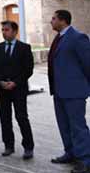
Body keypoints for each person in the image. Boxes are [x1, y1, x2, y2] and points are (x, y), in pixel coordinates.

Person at [47, 10, 90, 173]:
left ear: (63, 21)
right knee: (64, 125)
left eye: (53, 19)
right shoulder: (59, 38)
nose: (51, 21)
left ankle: (85, 159)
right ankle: (70, 153)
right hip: (59, 91)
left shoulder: (78, 37)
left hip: (74, 92)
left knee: (78, 126)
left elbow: (88, 63)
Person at [0, 21, 35, 159]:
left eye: (7, 29)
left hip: (18, 89)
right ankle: (8, 145)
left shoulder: (24, 48)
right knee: (5, 118)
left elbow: (28, 69)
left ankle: (28, 147)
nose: (4, 32)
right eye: (2, 29)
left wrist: (15, 82)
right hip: (2, 89)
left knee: (21, 117)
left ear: (15, 31)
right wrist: (0, 81)